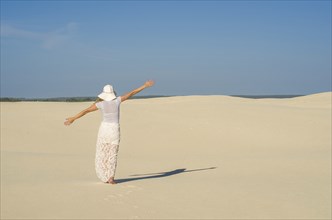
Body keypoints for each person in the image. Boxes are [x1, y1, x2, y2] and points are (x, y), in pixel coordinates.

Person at [64, 80, 155, 184]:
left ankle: (104, 176)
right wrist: (144, 86)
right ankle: (111, 177)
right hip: (114, 129)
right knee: (113, 153)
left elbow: (86, 111)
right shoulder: (117, 101)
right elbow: (132, 93)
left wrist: (73, 118)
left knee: (102, 152)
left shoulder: (100, 104)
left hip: (104, 129)